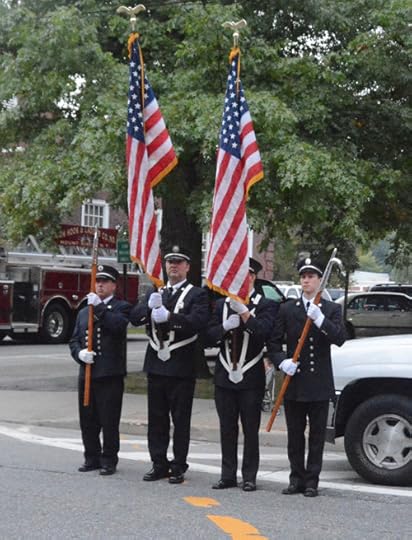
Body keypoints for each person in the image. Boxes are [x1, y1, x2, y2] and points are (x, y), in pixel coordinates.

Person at [267, 256, 346, 497]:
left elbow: (340, 339)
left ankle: (312, 480)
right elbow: (273, 342)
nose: (306, 280)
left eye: (311, 277)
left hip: (319, 383)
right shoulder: (288, 308)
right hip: (295, 382)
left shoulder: (331, 309)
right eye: (303, 276)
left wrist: (320, 319)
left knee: (317, 435)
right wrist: (282, 362)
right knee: (295, 434)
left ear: (320, 281)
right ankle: (296, 478)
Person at [130, 245, 209, 484]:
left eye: (179, 262)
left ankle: (178, 465)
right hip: (156, 365)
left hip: (181, 366)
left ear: (187, 267)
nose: (173, 266)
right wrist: (148, 306)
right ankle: (158, 463)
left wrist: (170, 318)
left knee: (180, 420)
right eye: (170, 262)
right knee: (156, 419)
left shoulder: (197, 294)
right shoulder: (157, 291)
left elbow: (198, 321)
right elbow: (134, 318)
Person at [206, 258, 278, 492]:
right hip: (225, 375)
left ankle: (249, 476)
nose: (241, 280)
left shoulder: (266, 304)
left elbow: (263, 334)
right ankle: (228, 475)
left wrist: (246, 314)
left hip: (250, 377)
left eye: (246, 276)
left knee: (250, 429)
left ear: (253, 277)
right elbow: (206, 337)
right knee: (227, 428)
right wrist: (225, 327)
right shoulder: (220, 305)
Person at [69, 265, 131, 476]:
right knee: (88, 418)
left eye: (105, 281)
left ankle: (109, 459)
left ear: (114, 285)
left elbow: (118, 326)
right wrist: (79, 354)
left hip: (109, 374)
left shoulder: (121, 307)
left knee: (109, 420)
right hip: (87, 373)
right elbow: (75, 339)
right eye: (98, 281)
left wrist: (101, 309)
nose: (100, 285)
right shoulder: (85, 310)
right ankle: (91, 457)